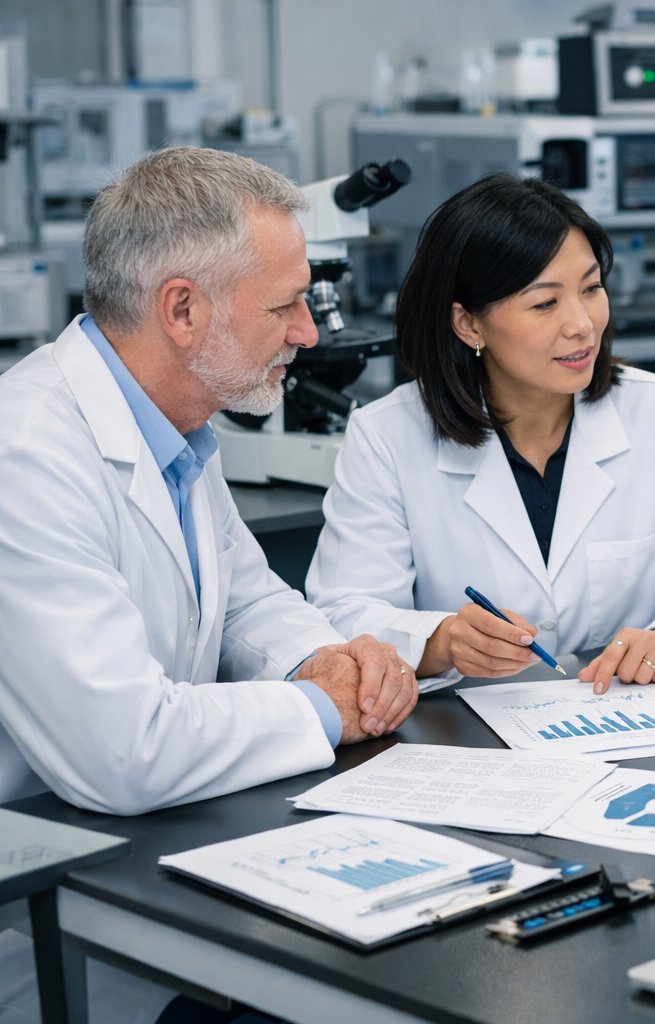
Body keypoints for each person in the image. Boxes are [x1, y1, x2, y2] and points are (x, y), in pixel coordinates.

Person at [0, 146, 417, 1024]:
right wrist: (327, 710)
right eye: (285, 305)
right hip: (44, 915)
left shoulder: (177, 423)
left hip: (145, 854)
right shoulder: (28, 453)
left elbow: (249, 600)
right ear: (182, 310)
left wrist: (331, 657)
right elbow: (124, 748)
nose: (309, 332)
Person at [306, 175, 655, 694]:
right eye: (544, 303)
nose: (582, 324)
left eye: (592, 288)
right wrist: (442, 640)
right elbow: (342, 610)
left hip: (619, 721)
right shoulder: (387, 436)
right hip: (462, 732)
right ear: (469, 325)